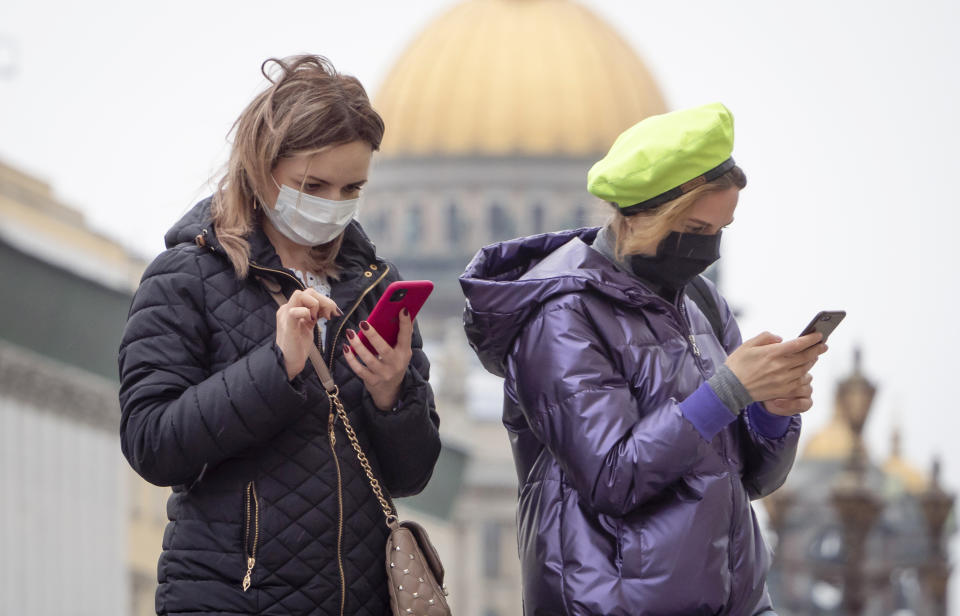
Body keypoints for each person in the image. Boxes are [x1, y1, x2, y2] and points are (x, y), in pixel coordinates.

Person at [460, 103, 826, 616]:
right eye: (697, 230)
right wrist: (728, 391)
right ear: (642, 216)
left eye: (722, 229)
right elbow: (614, 478)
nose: (710, 249)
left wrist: (774, 409)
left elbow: (753, 480)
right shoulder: (561, 316)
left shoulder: (700, 303)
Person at [118, 55, 441, 616]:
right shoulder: (185, 278)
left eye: (351, 188)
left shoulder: (372, 287)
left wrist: (394, 396)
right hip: (230, 599)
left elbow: (411, 475)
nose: (332, 205)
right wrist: (276, 367)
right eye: (312, 185)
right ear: (262, 166)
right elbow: (152, 443)